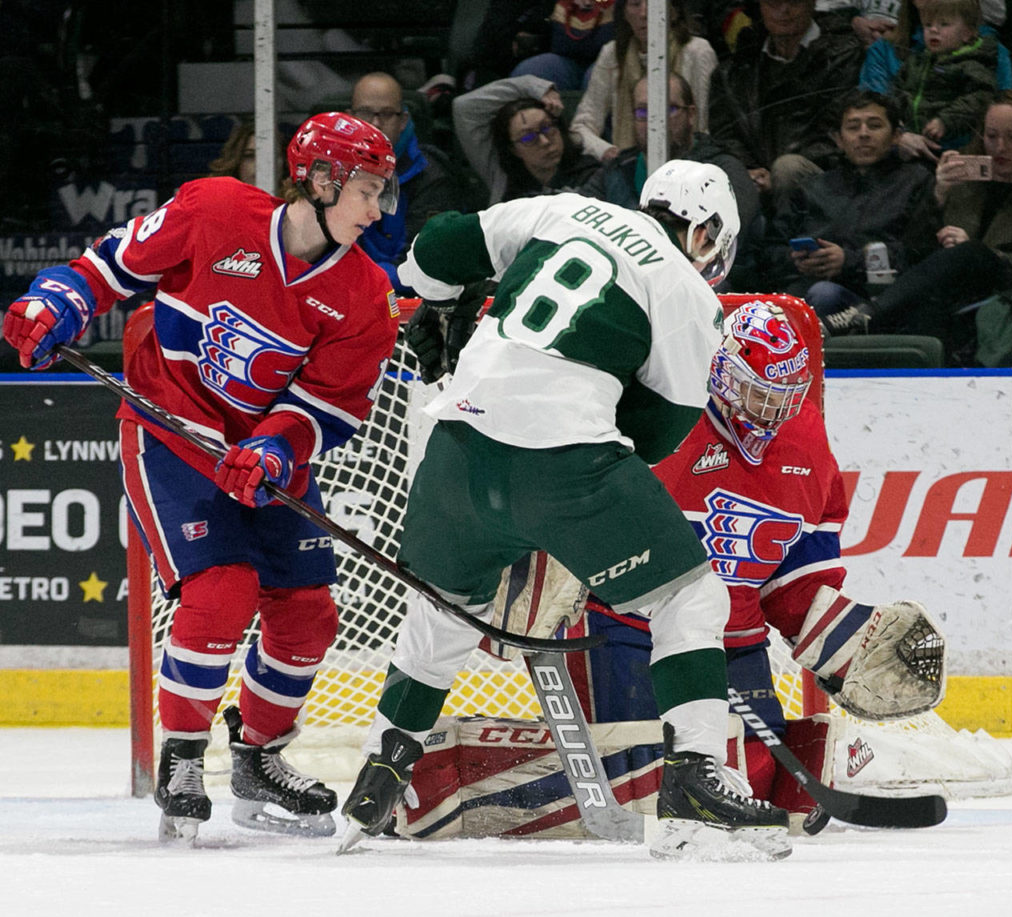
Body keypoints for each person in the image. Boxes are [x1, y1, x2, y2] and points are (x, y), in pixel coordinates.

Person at [338, 161, 796, 862]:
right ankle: (696, 788)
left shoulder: (564, 211)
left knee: (442, 609)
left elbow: (432, 251)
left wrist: (440, 306)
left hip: (453, 455)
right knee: (691, 596)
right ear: (704, 232)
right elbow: (656, 434)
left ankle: (380, 771)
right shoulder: (684, 291)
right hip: (566, 468)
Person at [2, 112, 402, 843]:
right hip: (169, 433)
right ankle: (183, 759)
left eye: (383, 192)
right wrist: (56, 300)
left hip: (264, 458)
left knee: (308, 612)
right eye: (367, 190)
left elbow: (331, 401)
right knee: (221, 592)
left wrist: (279, 448)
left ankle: (258, 758)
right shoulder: (214, 210)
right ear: (318, 180)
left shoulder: (362, 291)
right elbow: (108, 266)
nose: (377, 209)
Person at [567, 300, 944, 817]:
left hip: (736, 641)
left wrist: (837, 640)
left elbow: (795, 568)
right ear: (720, 371)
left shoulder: (806, 441)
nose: (770, 411)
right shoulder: (657, 418)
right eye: (758, 393)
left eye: (784, 397)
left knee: (756, 781)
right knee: (641, 779)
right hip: (625, 628)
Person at [822, 90, 1012, 359]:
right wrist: (938, 196)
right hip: (951, 290)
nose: (999, 147)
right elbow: (915, 250)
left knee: (970, 252)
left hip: (1007, 286)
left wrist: (980, 251)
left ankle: (867, 313)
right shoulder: (963, 180)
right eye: (991, 136)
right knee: (924, 308)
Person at [761, 89, 941, 314]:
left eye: (874, 126)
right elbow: (770, 250)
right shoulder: (812, 188)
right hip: (802, 291)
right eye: (853, 127)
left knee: (822, 294)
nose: (863, 134)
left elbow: (919, 253)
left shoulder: (916, 181)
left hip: (876, 302)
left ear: (896, 135)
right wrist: (796, 260)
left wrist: (849, 261)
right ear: (838, 139)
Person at [579, 72, 763, 288]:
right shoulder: (616, 171)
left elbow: (727, 240)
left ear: (691, 114)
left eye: (669, 109)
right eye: (642, 111)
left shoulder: (722, 169)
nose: (654, 121)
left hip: (709, 284)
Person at [708, 0, 864, 206]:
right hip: (753, 175)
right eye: (774, 3)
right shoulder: (737, 66)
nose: (784, 10)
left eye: (794, 2)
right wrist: (749, 170)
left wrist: (774, 174)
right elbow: (725, 134)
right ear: (761, 7)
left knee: (787, 168)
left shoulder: (842, 55)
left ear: (811, 4)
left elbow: (835, 132)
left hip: (823, 174)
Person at [347, 72, 466, 294]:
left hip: (411, 303)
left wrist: (353, 278)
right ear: (349, 118)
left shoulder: (432, 176)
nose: (375, 123)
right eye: (365, 113)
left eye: (386, 114)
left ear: (403, 121)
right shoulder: (332, 169)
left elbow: (426, 263)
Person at [570, 0, 719, 163]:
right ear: (624, 14)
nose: (644, 13)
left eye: (653, 4)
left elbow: (705, 128)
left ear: (673, 10)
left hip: (690, 163)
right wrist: (607, 152)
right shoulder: (612, 53)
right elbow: (581, 126)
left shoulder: (697, 52)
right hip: (629, 167)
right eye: (635, 4)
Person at [453, 74, 602, 204]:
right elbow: (464, 106)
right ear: (513, 149)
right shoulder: (502, 177)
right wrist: (537, 89)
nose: (545, 141)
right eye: (529, 137)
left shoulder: (592, 174)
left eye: (547, 128)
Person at [890, 0, 999, 160]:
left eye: (944, 24)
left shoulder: (972, 64)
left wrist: (945, 121)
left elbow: (980, 97)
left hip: (955, 148)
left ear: (968, 33)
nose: (934, 30)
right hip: (913, 145)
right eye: (927, 25)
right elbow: (897, 92)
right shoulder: (915, 62)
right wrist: (898, 125)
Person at [510, 0, 618, 90]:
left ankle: (634, 114)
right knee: (526, 72)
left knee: (599, 77)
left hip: (613, 56)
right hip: (565, 58)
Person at [207, 119, 288, 194]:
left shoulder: (296, 206)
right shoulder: (216, 202)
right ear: (235, 160)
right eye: (250, 156)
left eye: (271, 156)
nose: (261, 165)